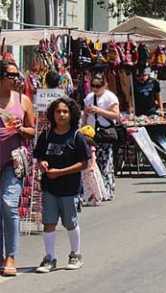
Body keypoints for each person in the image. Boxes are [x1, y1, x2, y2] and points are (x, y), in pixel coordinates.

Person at [33, 98, 90, 273]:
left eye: (65, 111)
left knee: (70, 223)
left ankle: (75, 254)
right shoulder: (46, 135)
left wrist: (61, 171)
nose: (61, 115)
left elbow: (84, 163)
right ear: (52, 114)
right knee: (48, 223)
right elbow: (39, 156)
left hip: (69, 189)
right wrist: (42, 164)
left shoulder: (77, 136)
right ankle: (49, 258)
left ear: (71, 114)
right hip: (50, 187)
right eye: (58, 111)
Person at [0, 61, 36, 277]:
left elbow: (33, 130)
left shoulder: (23, 101)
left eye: (17, 75)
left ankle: (11, 256)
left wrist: (21, 128)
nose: (16, 79)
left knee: (8, 202)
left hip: (14, 161)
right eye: (11, 74)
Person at [83, 75, 120, 201]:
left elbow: (116, 115)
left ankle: (107, 190)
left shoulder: (110, 97)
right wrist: (82, 128)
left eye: (98, 86)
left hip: (105, 133)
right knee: (93, 164)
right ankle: (95, 191)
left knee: (105, 163)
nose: (95, 89)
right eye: (93, 86)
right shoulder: (89, 97)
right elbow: (85, 115)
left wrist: (99, 110)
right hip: (91, 133)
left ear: (105, 85)